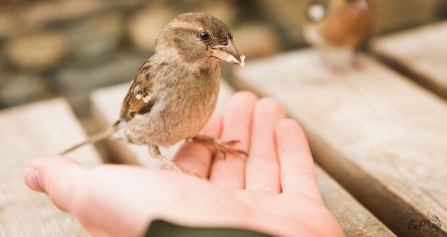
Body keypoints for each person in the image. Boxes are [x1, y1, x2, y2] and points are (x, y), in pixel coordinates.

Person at [23, 91, 344, 237]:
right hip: (138, 127)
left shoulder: (210, 73)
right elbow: (133, 112)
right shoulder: (159, 75)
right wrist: (175, 172)